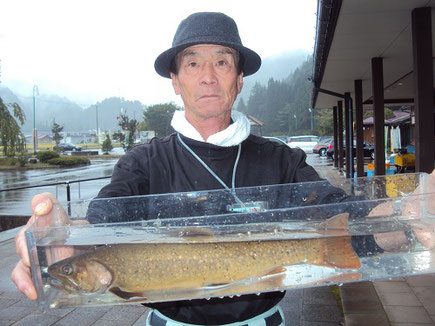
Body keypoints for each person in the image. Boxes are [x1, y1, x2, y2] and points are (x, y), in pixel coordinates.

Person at [11, 11, 435, 326]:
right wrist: (58, 237)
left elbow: (347, 222)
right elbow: (104, 221)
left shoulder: (281, 159)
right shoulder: (143, 162)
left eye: (222, 62)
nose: (208, 76)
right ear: (176, 81)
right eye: (192, 63)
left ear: (239, 79)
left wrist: (411, 218)